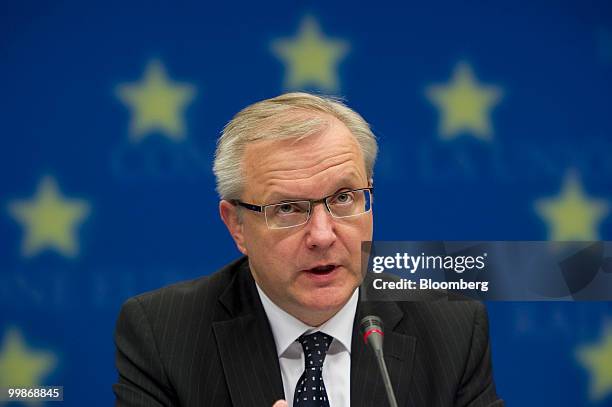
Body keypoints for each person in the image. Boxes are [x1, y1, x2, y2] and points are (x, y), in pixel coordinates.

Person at [113, 92, 504, 407]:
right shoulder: (163, 334)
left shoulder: (451, 327)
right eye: (287, 208)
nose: (322, 235)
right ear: (237, 225)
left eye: (344, 197)